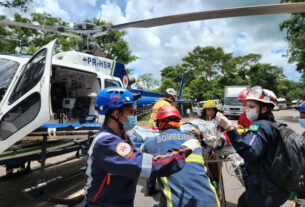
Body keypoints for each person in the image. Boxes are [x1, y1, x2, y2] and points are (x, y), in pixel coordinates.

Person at [81, 87, 201, 207]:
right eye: (131, 112)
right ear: (116, 114)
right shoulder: (106, 143)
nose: (134, 116)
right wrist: (184, 150)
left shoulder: (122, 137)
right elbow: (148, 165)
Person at [216, 86, 290, 207]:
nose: (247, 110)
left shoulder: (260, 127)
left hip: (263, 189)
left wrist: (229, 128)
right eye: (246, 106)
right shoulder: (274, 125)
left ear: (264, 108)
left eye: (251, 107)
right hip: (276, 187)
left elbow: (250, 153)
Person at [142, 105, 220, 207]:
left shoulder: (150, 143)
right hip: (211, 201)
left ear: (160, 123)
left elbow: (149, 170)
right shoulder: (192, 138)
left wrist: (151, 188)